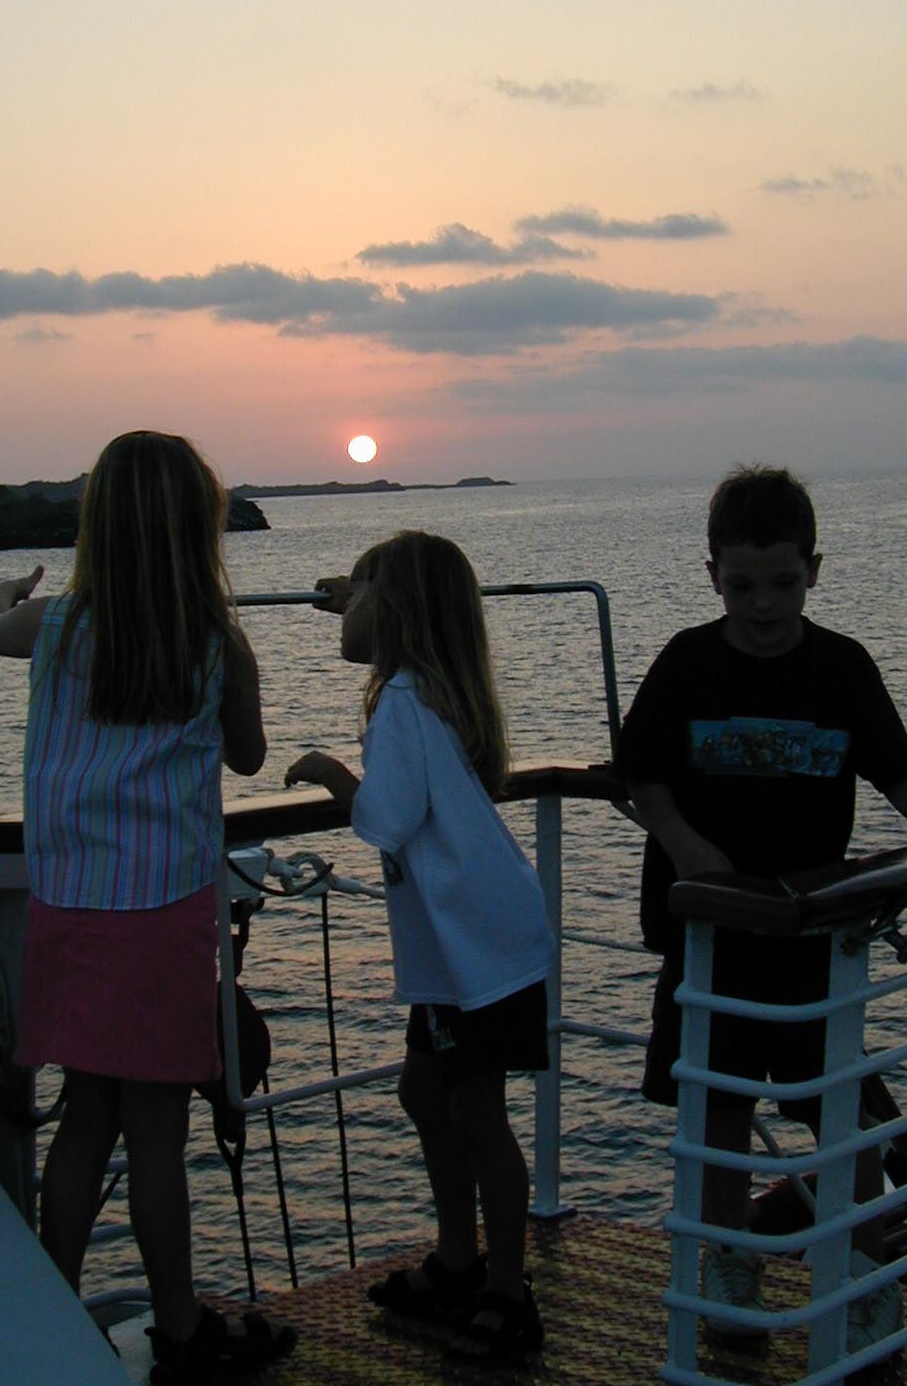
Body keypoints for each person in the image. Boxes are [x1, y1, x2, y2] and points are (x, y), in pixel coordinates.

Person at [614, 464, 907, 1358]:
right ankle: (730, 1269)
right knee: (718, 1112)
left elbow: (894, 764)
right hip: (711, 938)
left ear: (814, 569)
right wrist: (688, 846)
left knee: (840, 1113)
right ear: (712, 576)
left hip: (815, 933)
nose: (763, 604)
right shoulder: (688, 662)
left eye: (782, 582)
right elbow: (641, 776)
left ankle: (860, 1281)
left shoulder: (841, 667)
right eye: (742, 586)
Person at [0, 429, 295, 1382]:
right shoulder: (215, 642)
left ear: (98, 526)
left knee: (84, 1122)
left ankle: (50, 1317)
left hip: (70, 905)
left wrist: (2, 591)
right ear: (199, 529)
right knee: (156, 1133)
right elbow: (249, 757)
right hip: (163, 911)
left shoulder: (58, 625)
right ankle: (180, 1330)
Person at [284, 531, 554, 1366]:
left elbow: (389, 819)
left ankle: (505, 1291)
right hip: (472, 942)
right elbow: (376, 623)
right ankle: (458, 1258)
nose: (346, 605)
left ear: (394, 613)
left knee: (476, 1113)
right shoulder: (432, 690)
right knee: (424, 1093)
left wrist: (334, 775)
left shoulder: (402, 703)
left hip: (475, 950)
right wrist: (352, 596)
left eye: (361, 592)